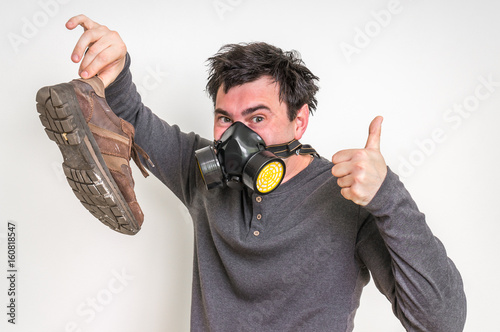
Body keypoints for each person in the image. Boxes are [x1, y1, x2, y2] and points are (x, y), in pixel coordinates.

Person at [64, 14, 466, 331]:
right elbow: (128, 118)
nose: (237, 136)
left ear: (300, 122)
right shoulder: (202, 172)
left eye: (257, 117)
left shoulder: (348, 198)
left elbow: (441, 323)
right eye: (225, 118)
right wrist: (116, 66)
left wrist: (387, 196)